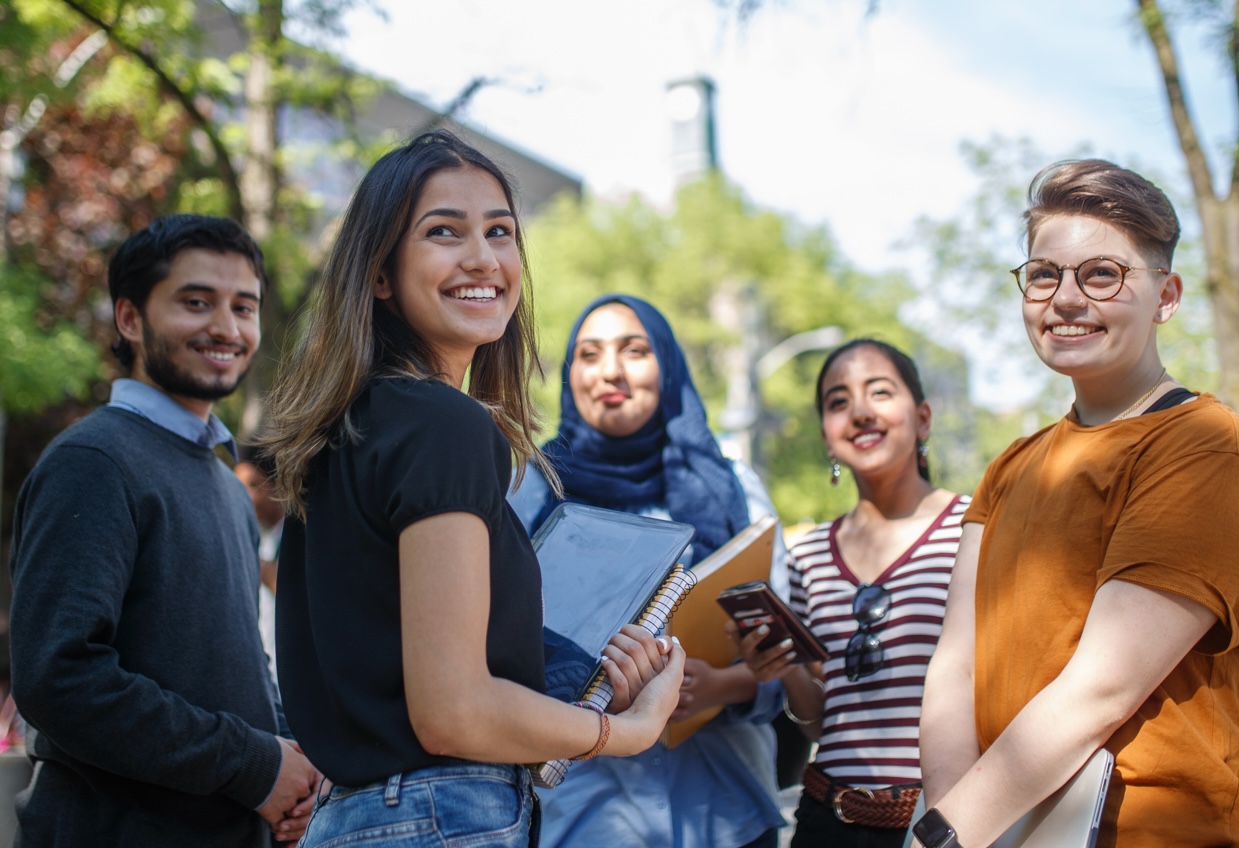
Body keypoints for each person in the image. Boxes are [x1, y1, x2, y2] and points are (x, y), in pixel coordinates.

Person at [257, 131, 685, 848]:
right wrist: (624, 730)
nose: (483, 258)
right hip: (439, 817)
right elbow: (453, 711)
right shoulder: (439, 421)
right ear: (381, 272)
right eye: (443, 232)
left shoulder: (351, 424)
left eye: (501, 233)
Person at [915, 160, 1239, 848]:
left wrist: (949, 837)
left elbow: (1101, 690)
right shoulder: (1011, 466)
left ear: (1165, 296)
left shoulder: (1207, 448)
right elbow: (955, 662)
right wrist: (953, 822)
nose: (1066, 298)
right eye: (1044, 274)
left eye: (1103, 274)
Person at [7, 214, 319, 847]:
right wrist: (255, 764)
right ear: (129, 319)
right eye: (196, 302)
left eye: (244, 306)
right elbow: (59, 677)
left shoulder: (221, 484)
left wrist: (294, 767)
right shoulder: (94, 461)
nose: (226, 328)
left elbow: (239, 670)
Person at [508, 293, 790, 848]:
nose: (610, 370)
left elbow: (783, 657)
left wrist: (720, 686)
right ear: (570, 374)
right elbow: (497, 656)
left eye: (634, 351)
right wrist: (592, 688)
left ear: (667, 362)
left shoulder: (732, 485)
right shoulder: (530, 489)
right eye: (589, 355)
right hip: (586, 814)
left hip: (724, 810)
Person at [733, 338, 968, 848]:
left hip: (936, 823)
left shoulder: (975, 528)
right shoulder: (808, 555)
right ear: (826, 435)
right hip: (824, 822)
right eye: (839, 402)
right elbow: (821, 721)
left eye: (879, 393)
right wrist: (785, 667)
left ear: (923, 418)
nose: (859, 412)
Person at [234, 446, 286, 682]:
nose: (244, 496)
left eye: (253, 485)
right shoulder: (263, 538)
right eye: (239, 487)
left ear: (278, 487)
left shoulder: (298, 537)